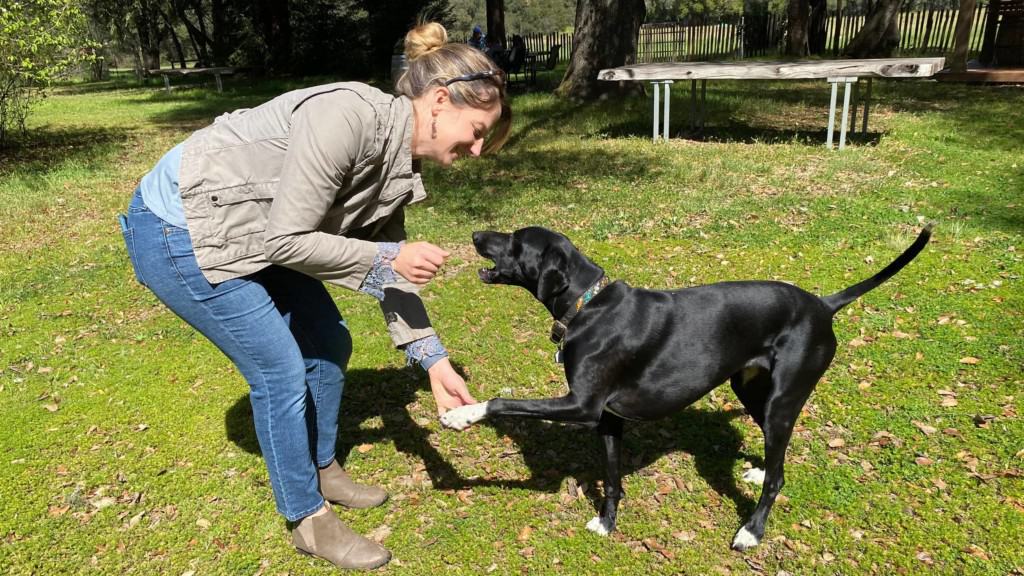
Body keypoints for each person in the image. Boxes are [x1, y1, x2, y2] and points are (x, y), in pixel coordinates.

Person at [117, 21, 511, 571]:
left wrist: (433, 360)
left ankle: (322, 465)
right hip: (180, 229)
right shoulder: (347, 116)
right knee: (279, 369)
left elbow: (385, 272)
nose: (475, 148)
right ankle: (307, 518)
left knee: (328, 341)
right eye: (474, 131)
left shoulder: (398, 166)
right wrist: (383, 258)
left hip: (254, 232)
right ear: (439, 102)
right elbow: (292, 240)